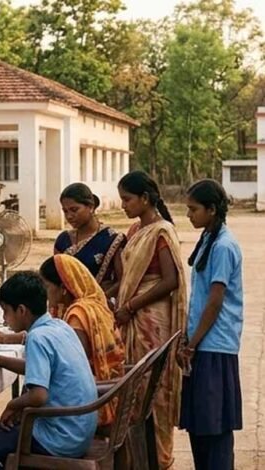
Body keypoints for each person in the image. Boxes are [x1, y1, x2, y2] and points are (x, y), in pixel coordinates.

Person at [0, 272, 98, 470]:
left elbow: (38, 396)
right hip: (78, 431)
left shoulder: (37, 337)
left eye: (6, 311)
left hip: (58, 437)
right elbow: (38, 370)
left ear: (21, 310)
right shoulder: (60, 326)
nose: (5, 319)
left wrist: (12, 404)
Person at [115, 170, 187, 469]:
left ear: (145, 199)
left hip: (153, 321)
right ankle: (136, 459)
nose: (123, 205)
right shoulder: (135, 230)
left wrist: (131, 305)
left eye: (127, 199)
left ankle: (159, 458)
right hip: (131, 318)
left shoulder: (161, 232)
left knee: (153, 390)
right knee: (132, 389)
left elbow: (170, 281)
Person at [178, 180, 243, 470]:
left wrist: (192, 345)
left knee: (214, 425)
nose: (189, 215)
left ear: (212, 210)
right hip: (201, 342)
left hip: (215, 345)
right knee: (199, 423)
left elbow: (215, 301)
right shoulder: (208, 238)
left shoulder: (224, 246)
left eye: (193, 209)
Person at [38, 254, 125, 425]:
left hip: (90, 402)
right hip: (110, 390)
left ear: (63, 287)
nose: (43, 294)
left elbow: (72, 366)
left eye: (46, 287)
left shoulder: (77, 315)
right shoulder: (94, 305)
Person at [54, 183, 126, 299]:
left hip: (99, 304)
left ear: (91, 207)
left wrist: (97, 299)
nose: (69, 216)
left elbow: (123, 280)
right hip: (69, 305)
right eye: (65, 211)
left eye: (74, 210)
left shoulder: (111, 239)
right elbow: (55, 279)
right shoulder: (63, 240)